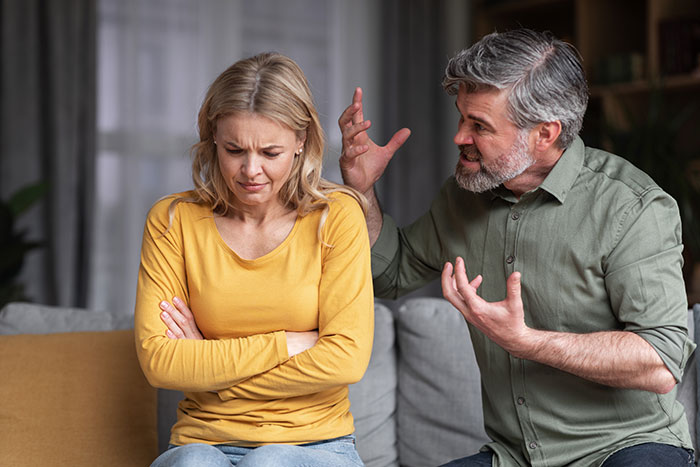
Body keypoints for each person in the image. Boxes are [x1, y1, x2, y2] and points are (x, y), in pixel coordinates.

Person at [338, 28, 696, 467]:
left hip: (628, 447)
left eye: (479, 126)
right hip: (513, 457)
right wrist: (362, 191)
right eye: (461, 118)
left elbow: (660, 362)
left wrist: (525, 342)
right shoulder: (461, 196)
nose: (459, 138)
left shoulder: (632, 208)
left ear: (544, 134)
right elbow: (388, 274)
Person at [135, 52, 373, 467]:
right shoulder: (173, 220)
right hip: (201, 442)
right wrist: (287, 344)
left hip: (314, 444)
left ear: (301, 142)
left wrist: (212, 368)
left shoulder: (336, 216)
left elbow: (345, 360)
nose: (250, 170)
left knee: (269, 463)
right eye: (234, 150)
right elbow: (160, 362)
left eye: (270, 152)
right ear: (213, 140)